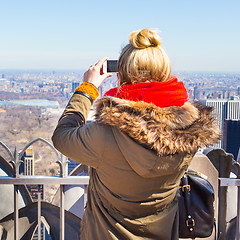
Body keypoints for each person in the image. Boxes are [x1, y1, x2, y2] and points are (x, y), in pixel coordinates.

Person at [52, 29, 220, 240]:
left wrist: (88, 87)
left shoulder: (105, 134)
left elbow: (62, 136)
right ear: (164, 72)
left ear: (122, 75)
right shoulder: (189, 132)